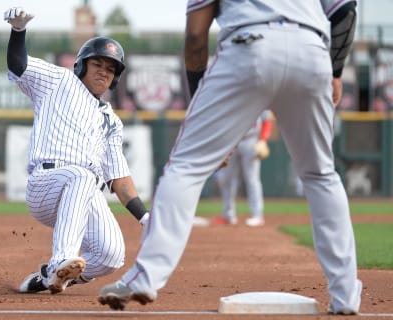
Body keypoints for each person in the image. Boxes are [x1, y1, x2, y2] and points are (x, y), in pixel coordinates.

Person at [98, 0, 362, 315]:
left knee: (186, 168)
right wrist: (334, 71)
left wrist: (199, 98)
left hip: (249, 46)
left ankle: (146, 276)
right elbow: (345, 10)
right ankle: (346, 296)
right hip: (313, 50)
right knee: (321, 175)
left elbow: (196, 35)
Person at [3, 7, 150, 295]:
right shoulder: (59, 81)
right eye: (98, 64)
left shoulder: (111, 120)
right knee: (83, 176)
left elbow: (119, 179)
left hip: (81, 193)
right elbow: (18, 66)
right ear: (81, 65)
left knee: (112, 254)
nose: (104, 72)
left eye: (110, 69)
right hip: (46, 184)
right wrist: (18, 31)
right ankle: (61, 260)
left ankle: (50, 275)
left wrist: (147, 219)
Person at [213, 110, 272, 227]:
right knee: (227, 178)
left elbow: (267, 119)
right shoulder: (232, 96)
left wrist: (263, 140)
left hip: (251, 141)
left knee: (252, 179)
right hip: (232, 141)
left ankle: (257, 215)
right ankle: (228, 215)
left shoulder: (259, 96)